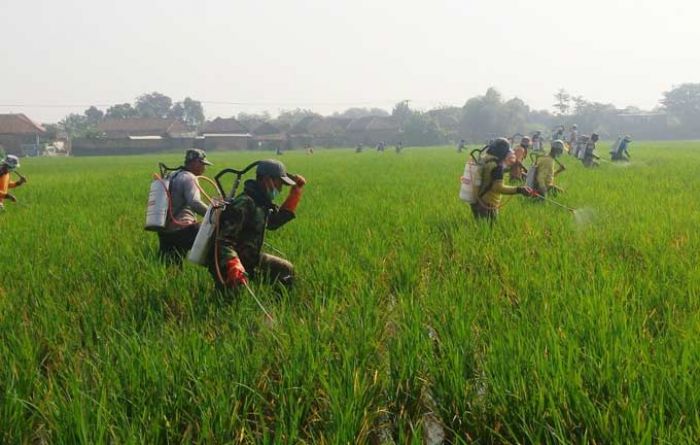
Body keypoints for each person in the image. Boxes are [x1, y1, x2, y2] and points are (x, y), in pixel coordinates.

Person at [210, 159, 305, 289]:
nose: (280, 189)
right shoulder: (244, 203)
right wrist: (233, 263)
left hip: (251, 259)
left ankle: (280, 305)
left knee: (285, 270)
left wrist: (295, 193)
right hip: (230, 263)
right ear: (267, 180)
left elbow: (273, 223)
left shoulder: (261, 202)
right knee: (232, 300)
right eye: (279, 183)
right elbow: (223, 240)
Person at [158, 149, 212, 264]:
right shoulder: (189, 178)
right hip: (184, 229)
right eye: (203, 164)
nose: (204, 168)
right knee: (216, 246)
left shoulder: (171, 175)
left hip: (165, 231)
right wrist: (212, 214)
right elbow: (195, 202)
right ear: (196, 163)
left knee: (172, 269)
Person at [471, 138, 535, 221]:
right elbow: (498, 188)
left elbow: (489, 176)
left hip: (476, 201)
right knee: (489, 231)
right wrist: (520, 190)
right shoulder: (497, 166)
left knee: (481, 229)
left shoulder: (485, 159)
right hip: (488, 204)